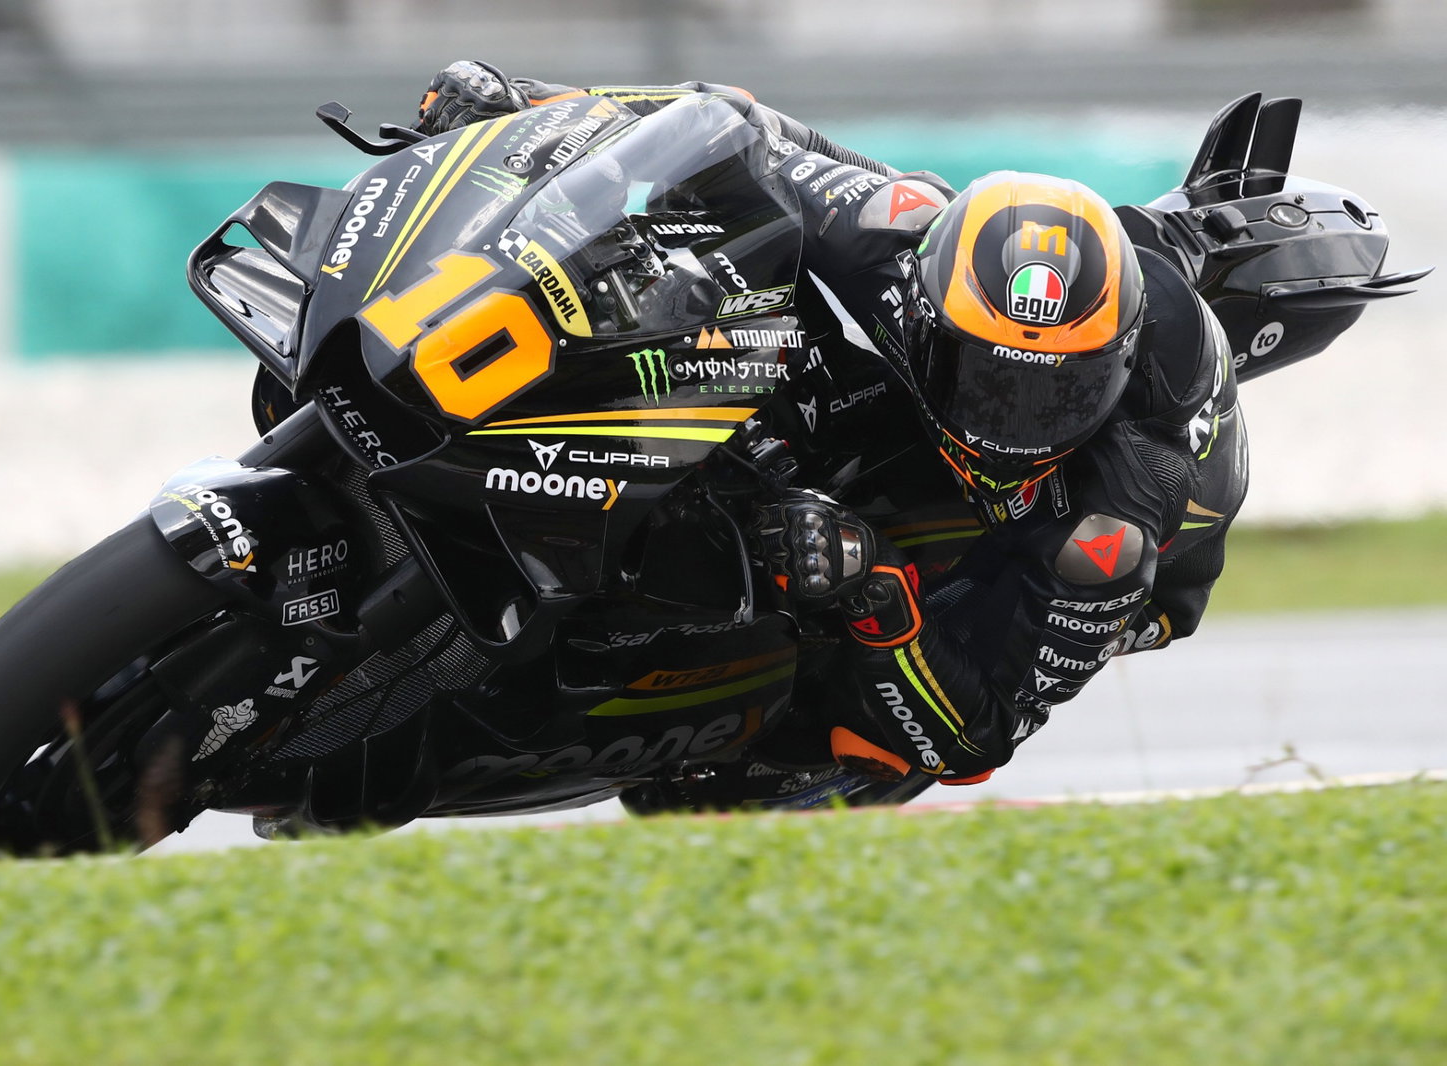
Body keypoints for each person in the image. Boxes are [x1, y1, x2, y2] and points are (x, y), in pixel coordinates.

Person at [411, 61, 1248, 802]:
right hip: (896, 398)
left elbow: (980, 737)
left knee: (813, 750)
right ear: (923, 311)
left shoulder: (1116, 514)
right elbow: (728, 124)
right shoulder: (894, 231)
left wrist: (875, 592)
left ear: (1115, 365)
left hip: (1084, 543)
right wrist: (531, 106)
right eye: (987, 382)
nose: (1012, 426)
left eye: (1058, 395)